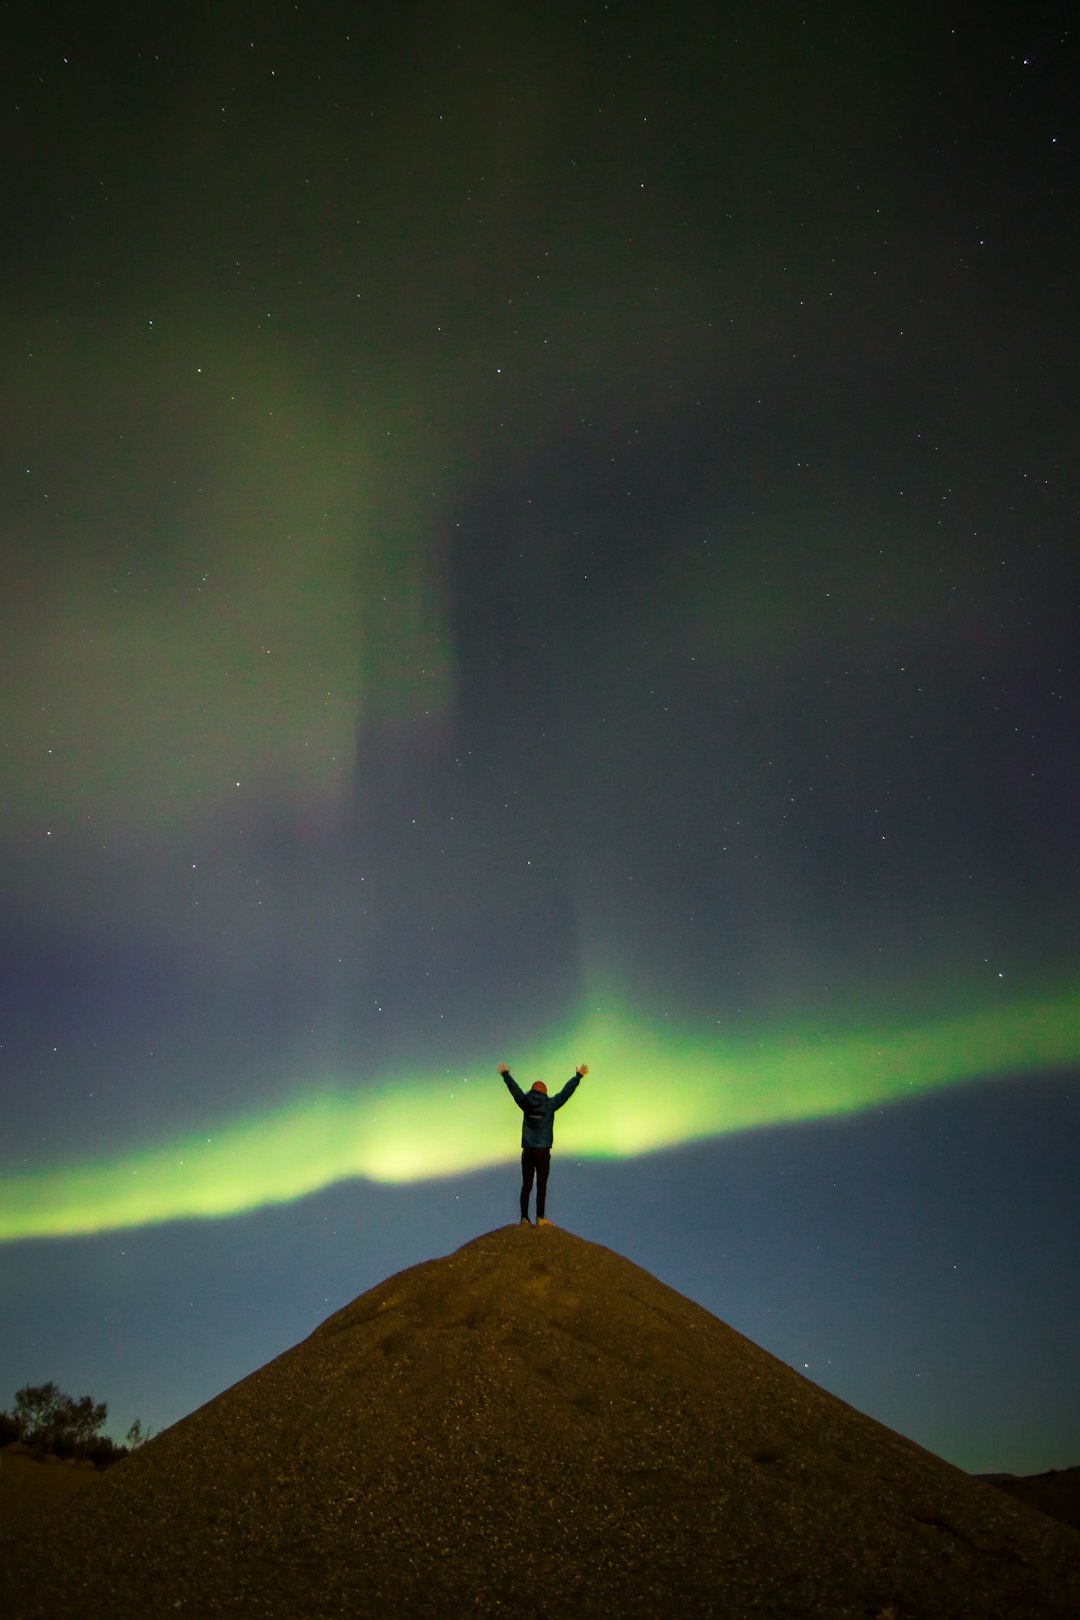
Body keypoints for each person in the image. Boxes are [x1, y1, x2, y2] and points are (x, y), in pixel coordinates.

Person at [498, 1061, 588, 1226]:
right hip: (543, 1151)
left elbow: (515, 1090)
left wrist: (505, 1075)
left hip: (528, 1150)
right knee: (541, 1185)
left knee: (526, 1185)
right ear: (545, 1092)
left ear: (532, 1090)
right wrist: (578, 1077)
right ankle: (540, 1218)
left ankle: (524, 1218)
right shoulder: (550, 1104)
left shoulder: (525, 1102)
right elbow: (565, 1093)